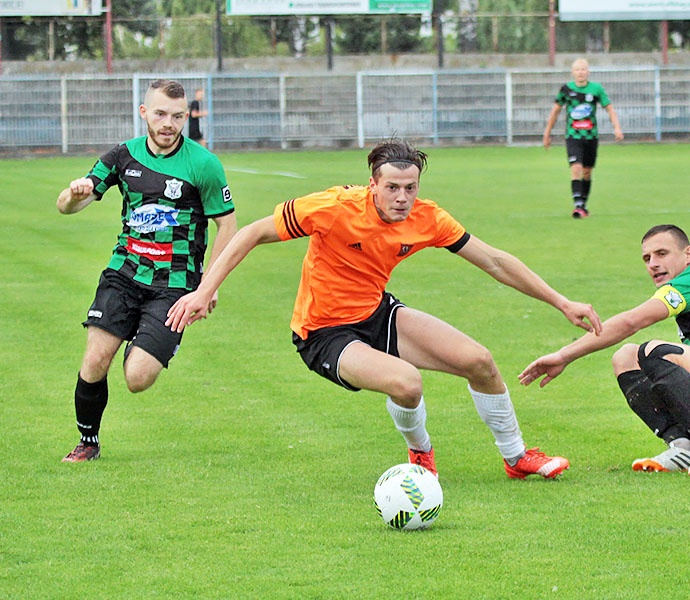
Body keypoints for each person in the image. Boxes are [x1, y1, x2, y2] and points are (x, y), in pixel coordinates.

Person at [166, 138, 602, 479]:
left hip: (377, 313)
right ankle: (421, 456)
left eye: (410, 188)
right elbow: (253, 233)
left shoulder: (427, 217)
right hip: (322, 332)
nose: (401, 197)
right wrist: (204, 290)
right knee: (407, 383)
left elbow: (494, 261)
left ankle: (516, 457)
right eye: (391, 187)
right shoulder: (334, 208)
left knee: (480, 362)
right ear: (372, 184)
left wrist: (561, 301)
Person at [56, 79, 237, 462]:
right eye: (159, 114)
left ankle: (142, 337)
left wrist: (209, 286)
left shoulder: (203, 164)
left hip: (175, 286)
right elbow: (67, 206)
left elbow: (228, 226)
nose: (168, 123)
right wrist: (73, 194)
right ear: (144, 114)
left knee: (137, 378)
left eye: (176, 116)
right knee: (94, 360)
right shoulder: (123, 156)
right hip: (124, 273)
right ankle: (88, 442)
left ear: (186, 116)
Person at [519, 225, 690, 478]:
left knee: (655, 352)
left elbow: (632, 322)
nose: (652, 263)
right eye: (647, 258)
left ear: (688, 254)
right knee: (626, 357)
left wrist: (564, 355)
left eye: (662, 254)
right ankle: (683, 448)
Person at [543, 58, 624, 219]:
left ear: (588, 72)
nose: (580, 72)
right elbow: (555, 111)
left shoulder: (596, 89)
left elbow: (609, 109)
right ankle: (578, 206)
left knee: (587, 172)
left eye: (583, 69)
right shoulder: (566, 89)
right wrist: (547, 133)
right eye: (577, 69)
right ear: (573, 73)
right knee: (576, 168)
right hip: (573, 136)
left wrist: (617, 128)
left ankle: (583, 205)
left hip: (591, 137)